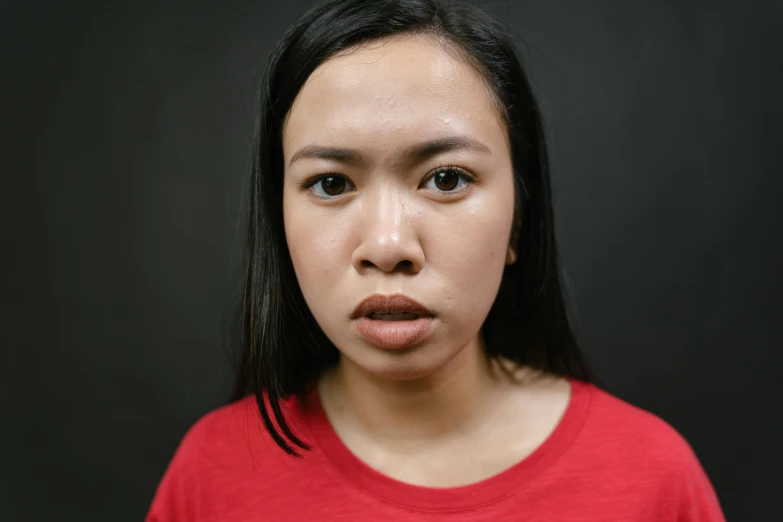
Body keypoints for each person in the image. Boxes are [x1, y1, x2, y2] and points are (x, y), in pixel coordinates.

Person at [146, 0, 726, 519]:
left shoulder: (651, 479)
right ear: (280, 221)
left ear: (518, 219)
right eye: (329, 183)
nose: (388, 247)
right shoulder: (212, 476)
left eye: (445, 178)